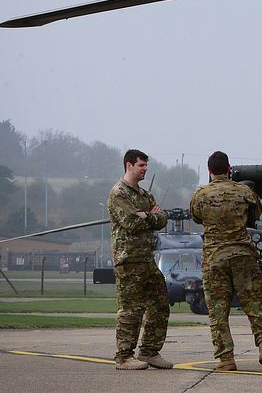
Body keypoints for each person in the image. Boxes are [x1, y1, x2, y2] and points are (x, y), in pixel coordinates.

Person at [189, 151, 262, 372]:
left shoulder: (200, 195)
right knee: (255, 305)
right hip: (243, 254)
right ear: (229, 169)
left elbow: (196, 217)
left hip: (214, 258)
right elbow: (255, 214)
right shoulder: (244, 191)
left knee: (218, 312)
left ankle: (226, 358)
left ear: (209, 171)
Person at [107, 149, 172, 370]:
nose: (145, 169)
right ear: (129, 165)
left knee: (160, 305)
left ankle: (149, 351)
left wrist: (148, 215)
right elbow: (131, 223)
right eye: (141, 165)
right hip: (128, 260)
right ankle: (124, 356)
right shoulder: (119, 193)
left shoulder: (145, 195)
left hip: (147, 260)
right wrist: (147, 216)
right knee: (130, 309)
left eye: (146, 166)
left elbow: (162, 219)